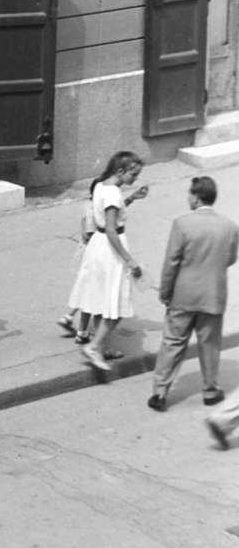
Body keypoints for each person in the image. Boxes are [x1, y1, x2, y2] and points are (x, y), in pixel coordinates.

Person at [149, 175, 238, 411]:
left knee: (173, 342)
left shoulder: (182, 224)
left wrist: (165, 292)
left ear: (197, 198)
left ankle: (160, 393)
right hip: (213, 296)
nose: (188, 198)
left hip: (183, 295)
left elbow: (171, 262)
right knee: (209, 344)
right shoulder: (229, 226)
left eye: (190, 194)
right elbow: (230, 258)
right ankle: (210, 391)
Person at [67, 151, 147, 373]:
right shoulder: (112, 193)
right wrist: (129, 259)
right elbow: (112, 230)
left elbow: (108, 217)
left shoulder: (102, 185)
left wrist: (131, 199)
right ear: (120, 171)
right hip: (111, 249)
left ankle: (100, 346)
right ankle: (94, 347)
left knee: (103, 299)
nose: (135, 179)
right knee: (115, 304)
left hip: (99, 246)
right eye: (133, 174)